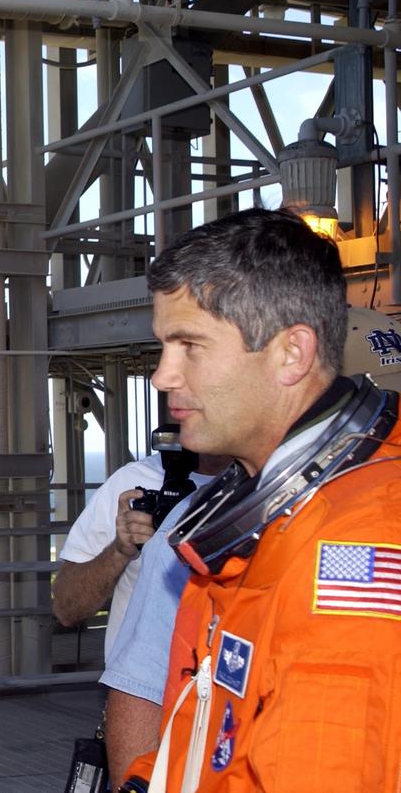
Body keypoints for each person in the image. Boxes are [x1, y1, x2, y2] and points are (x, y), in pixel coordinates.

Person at [114, 208, 401, 792]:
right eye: (163, 346)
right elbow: (208, 738)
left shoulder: (357, 549)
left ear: (291, 353)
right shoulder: (261, 517)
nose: (162, 376)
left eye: (189, 345)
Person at [55, 447, 230, 781]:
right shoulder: (135, 482)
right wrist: (120, 550)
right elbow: (66, 606)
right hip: (142, 722)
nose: (172, 392)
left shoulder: (278, 481)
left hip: (235, 725)